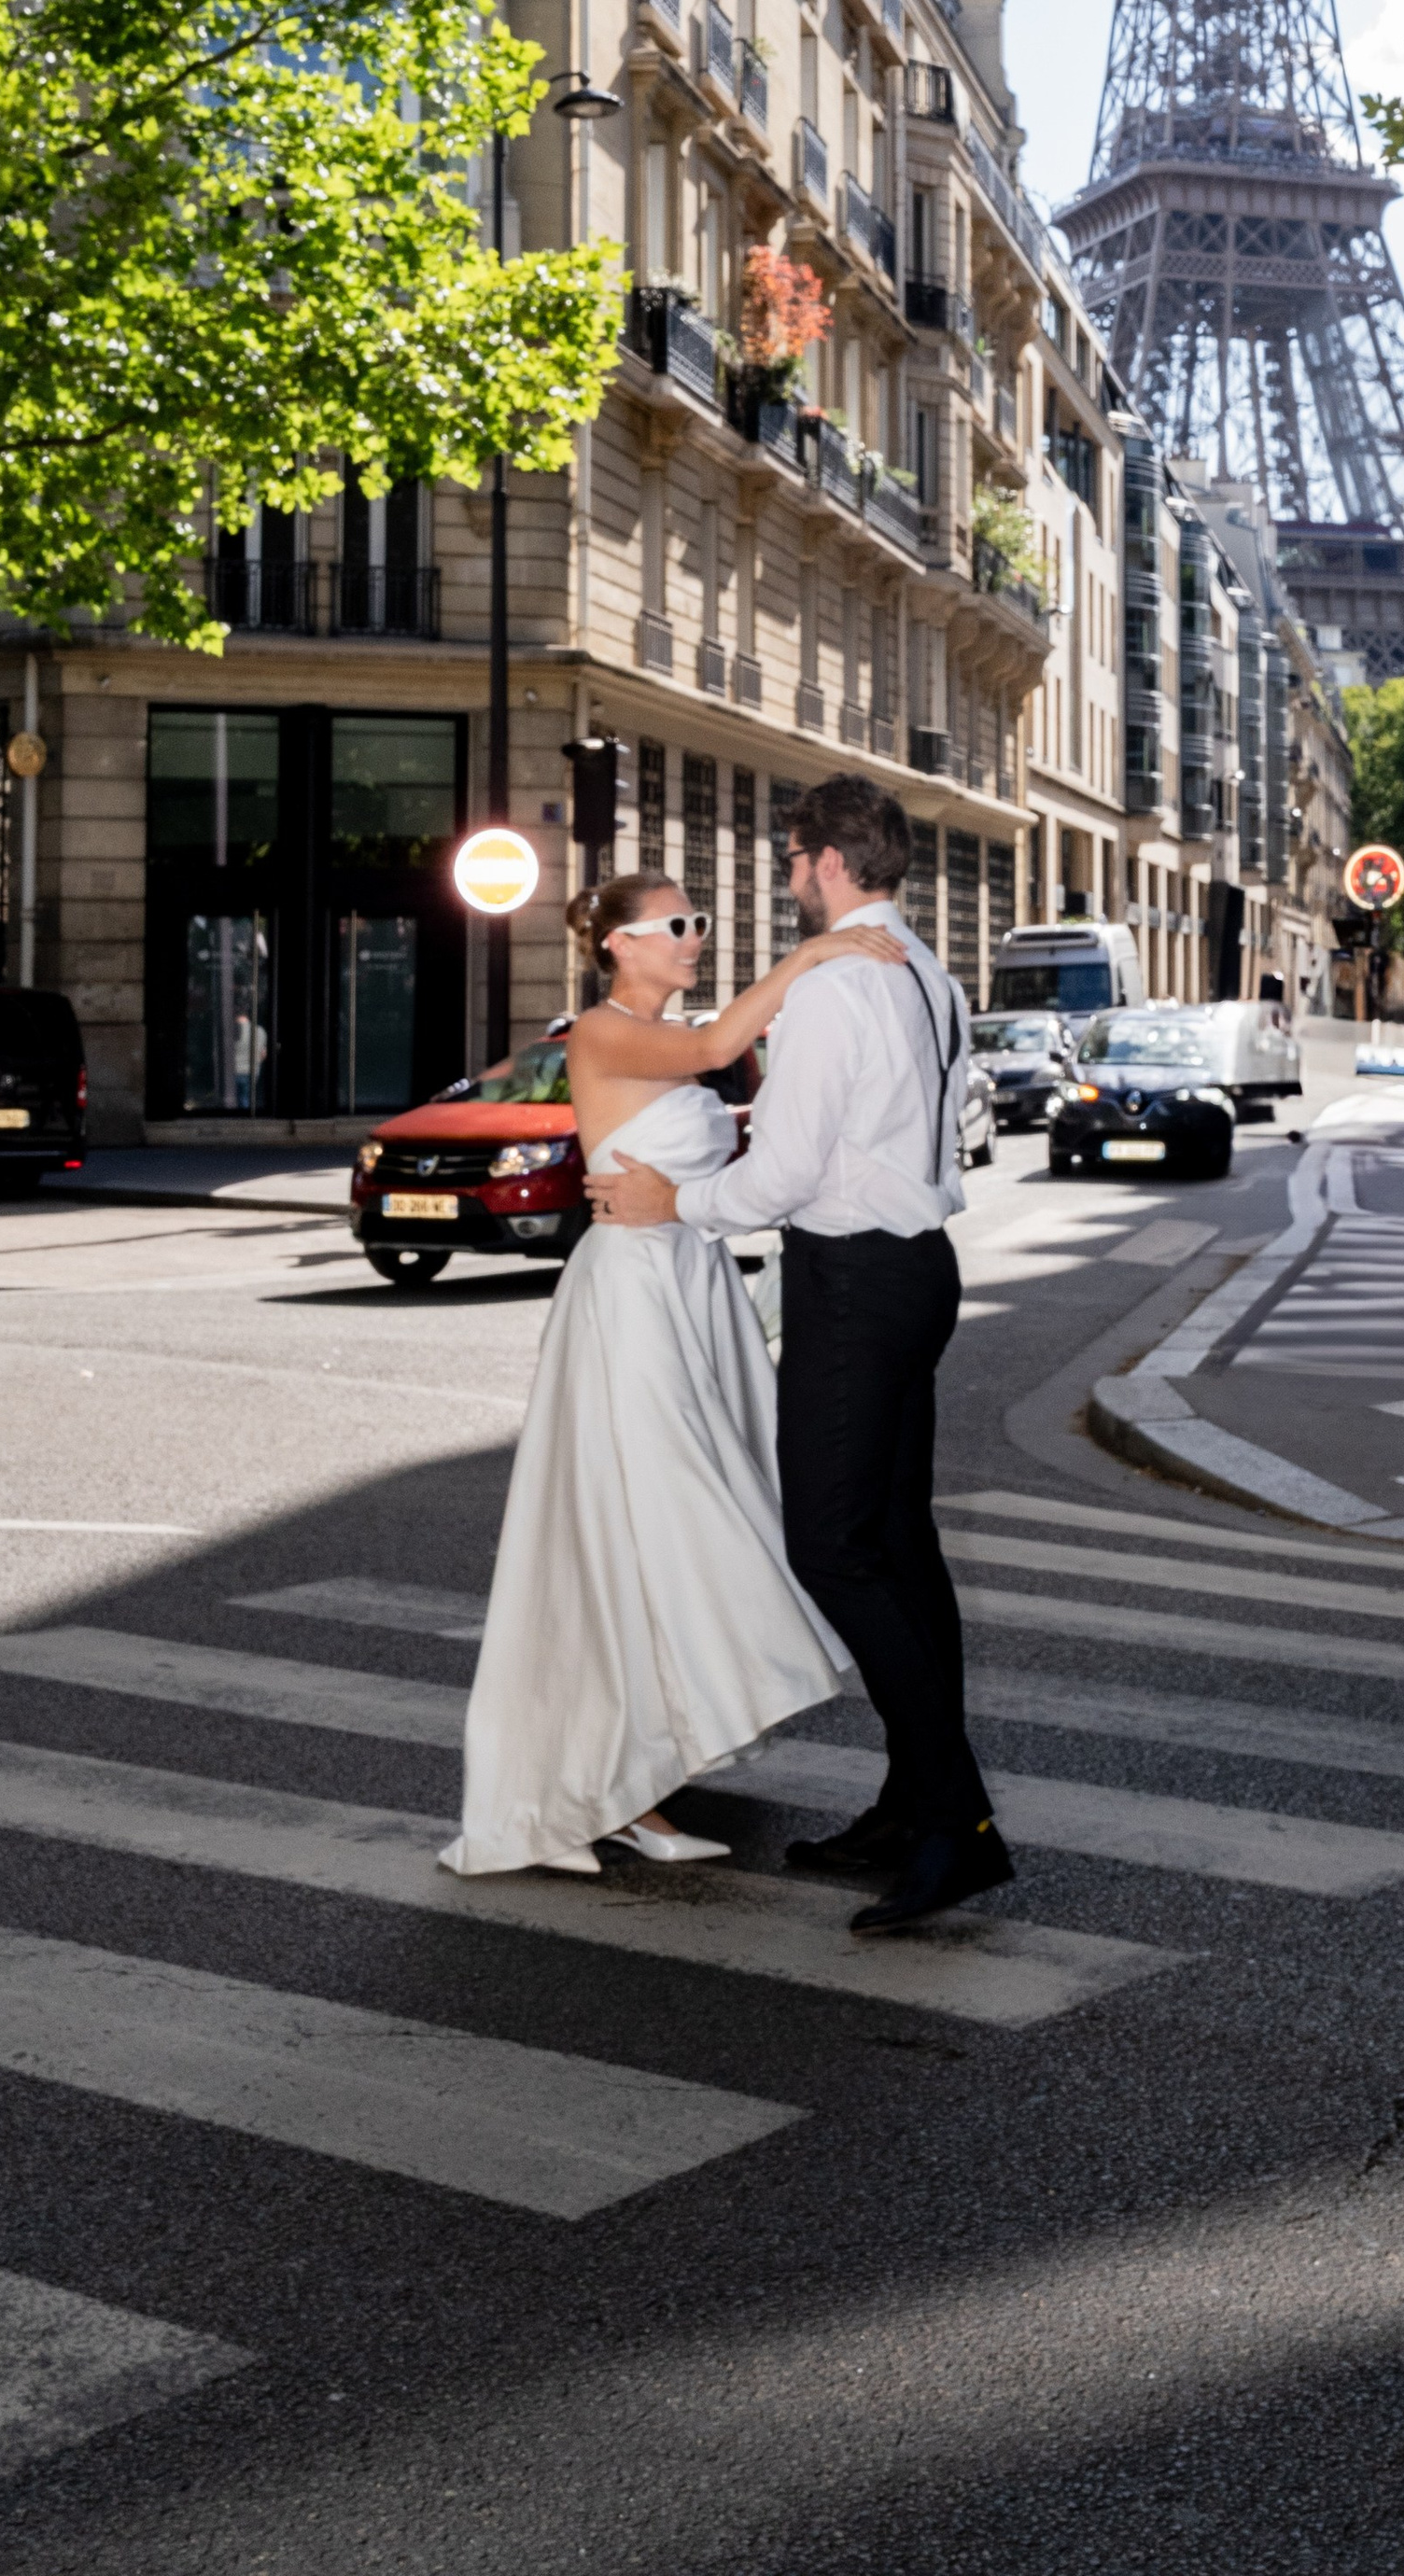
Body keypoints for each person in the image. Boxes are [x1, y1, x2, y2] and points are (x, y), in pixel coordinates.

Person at [594, 774, 1011, 1935]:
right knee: (899, 1545)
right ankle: (909, 1803)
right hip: (919, 1270)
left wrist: (674, 1202)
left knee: (831, 1548)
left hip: (855, 1283)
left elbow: (780, 1177)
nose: (786, 879)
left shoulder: (831, 994)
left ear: (829, 861)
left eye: (790, 860)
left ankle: (953, 1821)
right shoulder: (925, 969)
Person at [439, 874, 907, 1882]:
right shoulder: (603, 1032)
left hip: (689, 1286)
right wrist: (817, 952)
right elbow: (709, 1051)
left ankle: (635, 1786)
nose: (696, 938)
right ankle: (605, 1786)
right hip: (632, 1300)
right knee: (661, 1516)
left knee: (657, 1529)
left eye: (699, 923)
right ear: (618, 945)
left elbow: (735, 1102)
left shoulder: (671, 1031)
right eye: (678, 926)